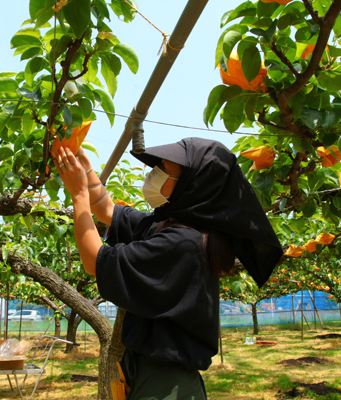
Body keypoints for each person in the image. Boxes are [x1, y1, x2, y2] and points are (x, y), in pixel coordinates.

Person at [54, 137, 283, 400]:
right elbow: (106, 209)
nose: (154, 174)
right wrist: (83, 164)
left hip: (165, 383)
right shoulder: (167, 226)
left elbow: (93, 260)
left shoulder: (184, 243)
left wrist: (78, 195)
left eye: (164, 169)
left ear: (193, 184)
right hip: (150, 372)